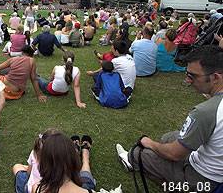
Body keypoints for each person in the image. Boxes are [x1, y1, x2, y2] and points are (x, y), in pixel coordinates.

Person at [116, 45, 223, 192]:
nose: (188, 80)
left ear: (215, 77)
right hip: (215, 167)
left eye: (192, 76)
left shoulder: (205, 112)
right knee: (170, 136)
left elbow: (175, 154)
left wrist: (149, 143)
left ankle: (134, 161)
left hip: (203, 181)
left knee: (139, 154)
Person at [32, 131, 97, 193]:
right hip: (81, 189)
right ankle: (85, 157)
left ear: (44, 163)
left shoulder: (36, 189)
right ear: (74, 161)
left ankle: (79, 152)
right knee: (86, 181)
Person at [13, 129, 59, 193]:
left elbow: (28, 173)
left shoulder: (34, 153)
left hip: (29, 188)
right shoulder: (60, 165)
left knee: (17, 167)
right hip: (45, 188)